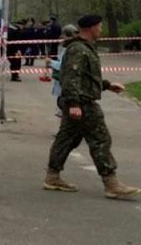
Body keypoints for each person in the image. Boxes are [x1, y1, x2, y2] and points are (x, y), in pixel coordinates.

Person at [44, 15, 140, 199]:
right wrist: (74, 103)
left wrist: (107, 85)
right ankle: (111, 184)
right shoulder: (78, 49)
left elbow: (85, 77)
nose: (101, 29)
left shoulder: (84, 48)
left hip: (80, 100)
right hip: (83, 103)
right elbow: (71, 77)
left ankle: (52, 176)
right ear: (91, 28)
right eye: (99, 26)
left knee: (66, 140)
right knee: (101, 139)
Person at [48, 24, 78, 117]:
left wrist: (50, 62)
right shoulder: (68, 48)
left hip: (66, 84)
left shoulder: (70, 49)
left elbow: (63, 66)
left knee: (65, 108)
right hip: (64, 83)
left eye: (63, 35)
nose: (61, 37)